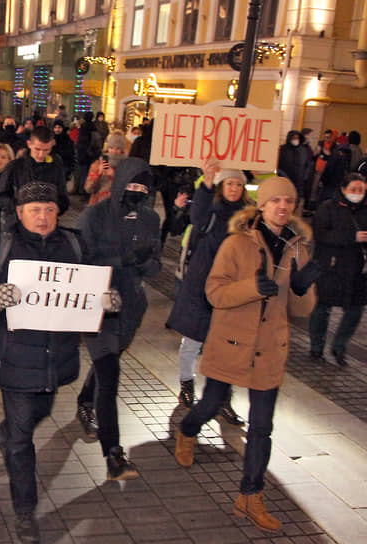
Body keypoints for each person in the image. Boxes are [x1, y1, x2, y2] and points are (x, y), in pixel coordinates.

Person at [0, 181, 117, 543]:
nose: (43, 217)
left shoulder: (75, 245)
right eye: (35, 210)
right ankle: (24, 512)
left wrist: (108, 302)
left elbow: (95, 292)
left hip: (57, 361)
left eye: (49, 209)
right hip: (15, 361)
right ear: (19, 213)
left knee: (40, 411)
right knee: (21, 441)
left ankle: (5, 435)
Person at [174, 176, 318, 533]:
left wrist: (302, 289)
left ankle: (250, 496)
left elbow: (300, 310)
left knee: (262, 427)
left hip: (270, 347)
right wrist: (251, 287)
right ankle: (187, 429)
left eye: (289, 201)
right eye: (275, 201)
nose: (282, 207)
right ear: (262, 206)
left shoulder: (298, 247)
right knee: (210, 405)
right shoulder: (236, 243)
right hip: (232, 342)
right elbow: (215, 292)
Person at [76, 157, 161, 479]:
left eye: (143, 187)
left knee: (107, 365)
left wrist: (146, 265)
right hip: (100, 306)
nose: (136, 192)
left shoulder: (150, 218)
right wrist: (119, 260)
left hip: (132, 306)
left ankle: (86, 400)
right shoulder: (95, 216)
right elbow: (81, 258)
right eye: (131, 185)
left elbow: (155, 260)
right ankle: (113, 453)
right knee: (110, 374)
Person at [166, 160, 252, 423]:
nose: (234, 189)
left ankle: (222, 399)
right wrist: (206, 182)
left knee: (227, 346)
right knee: (193, 340)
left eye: (238, 184)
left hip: (233, 287)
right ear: (222, 186)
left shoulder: (250, 215)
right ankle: (186, 385)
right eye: (230, 184)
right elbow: (196, 218)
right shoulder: (210, 208)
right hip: (202, 284)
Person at [308, 172, 367, 366]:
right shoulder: (328, 208)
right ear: (343, 189)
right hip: (331, 267)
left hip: (358, 270)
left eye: (361, 190)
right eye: (354, 189)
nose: (358, 193)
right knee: (322, 308)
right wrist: (352, 237)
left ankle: (339, 346)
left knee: (355, 310)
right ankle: (316, 347)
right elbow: (321, 234)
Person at [0, 125, 70, 228]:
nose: (41, 154)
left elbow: (63, 197)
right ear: (29, 144)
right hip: (18, 223)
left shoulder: (56, 166)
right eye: (37, 149)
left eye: (46, 150)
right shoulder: (15, 166)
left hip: (46, 224)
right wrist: (19, 209)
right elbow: (0, 195)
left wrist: (54, 209)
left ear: (52, 145)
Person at [84, 131, 127, 206]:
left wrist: (114, 176)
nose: (114, 151)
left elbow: (128, 190)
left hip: (117, 207)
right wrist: (99, 173)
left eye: (117, 148)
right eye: (111, 148)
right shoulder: (97, 164)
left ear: (122, 150)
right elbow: (88, 189)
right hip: (98, 206)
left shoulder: (126, 166)